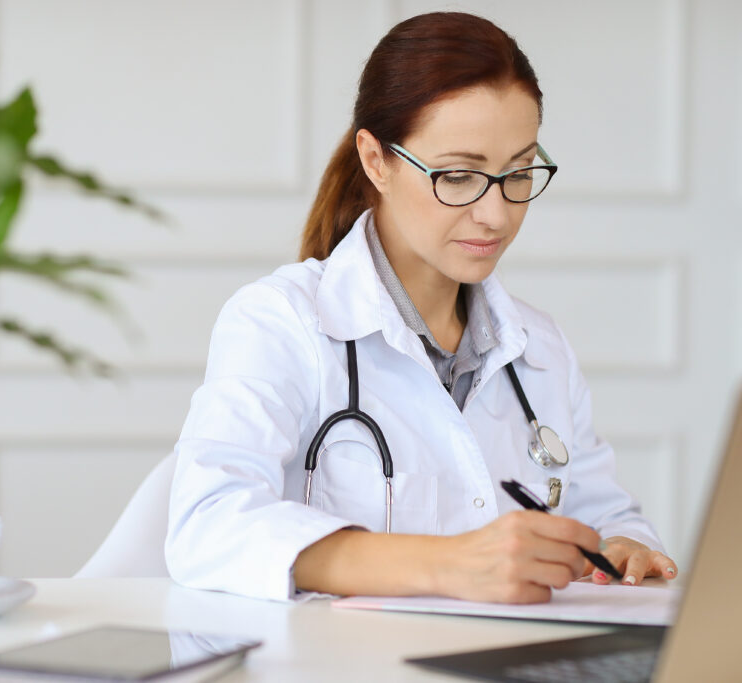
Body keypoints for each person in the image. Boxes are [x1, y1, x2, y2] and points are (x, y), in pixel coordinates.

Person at [164, 11, 678, 603]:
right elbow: (207, 525)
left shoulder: (542, 347)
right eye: (459, 176)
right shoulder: (280, 321)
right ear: (376, 160)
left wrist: (623, 547)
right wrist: (451, 564)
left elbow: (606, 514)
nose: (497, 214)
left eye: (518, 172)